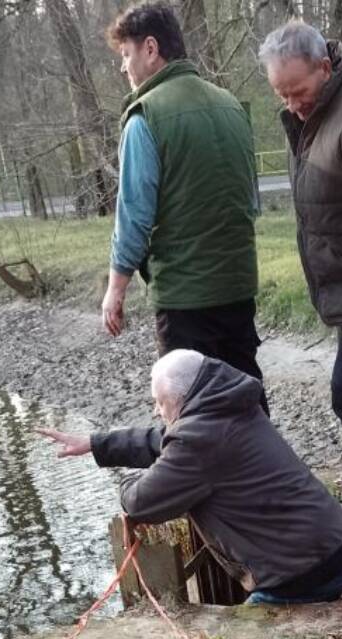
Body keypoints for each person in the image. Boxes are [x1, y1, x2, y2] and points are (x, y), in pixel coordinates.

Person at [37, 350, 342, 605]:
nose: (156, 411)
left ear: (181, 400)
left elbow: (140, 502)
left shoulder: (198, 440)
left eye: (159, 403)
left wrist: (130, 480)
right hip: (339, 548)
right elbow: (165, 439)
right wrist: (96, 444)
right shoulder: (230, 404)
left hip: (303, 576)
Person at [102, 3, 266, 403]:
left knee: (191, 409)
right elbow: (249, 200)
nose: (123, 67)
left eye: (126, 54)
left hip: (185, 296)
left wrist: (116, 288)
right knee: (246, 400)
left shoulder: (144, 117)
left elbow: (134, 217)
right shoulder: (230, 105)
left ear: (151, 48)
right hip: (238, 285)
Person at [258, 21, 342, 478]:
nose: (292, 103)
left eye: (298, 91)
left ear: (325, 68)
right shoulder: (306, 119)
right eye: (282, 95)